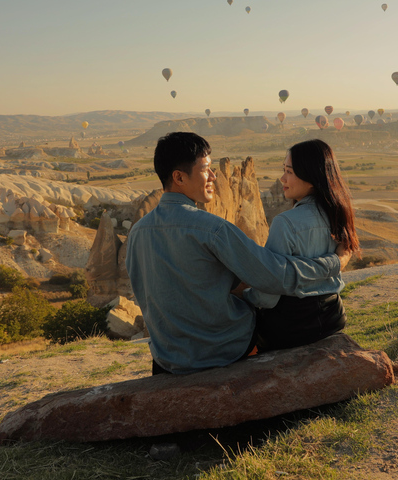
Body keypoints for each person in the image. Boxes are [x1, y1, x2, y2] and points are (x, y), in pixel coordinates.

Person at [125, 132, 351, 375]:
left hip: (167, 356)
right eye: (206, 169)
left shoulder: (137, 232)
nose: (214, 176)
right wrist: (335, 262)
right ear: (178, 177)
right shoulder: (212, 229)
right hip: (222, 348)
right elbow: (277, 277)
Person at [243, 139, 359, 352]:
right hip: (332, 316)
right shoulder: (338, 213)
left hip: (291, 326)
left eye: (289, 172)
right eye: (283, 170)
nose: (282, 179)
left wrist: (243, 297)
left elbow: (270, 290)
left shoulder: (285, 222)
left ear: (312, 177)